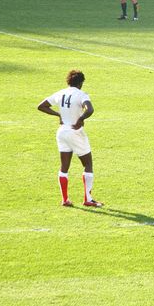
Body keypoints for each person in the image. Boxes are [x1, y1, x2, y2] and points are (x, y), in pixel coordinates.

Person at [37, 70, 103, 207]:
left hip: (62, 132)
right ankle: (88, 199)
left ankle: (65, 199)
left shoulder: (61, 93)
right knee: (88, 164)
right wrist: (81, 119)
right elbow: (90, 109)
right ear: (81, 83)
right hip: (75, 132)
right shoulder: (81, 95)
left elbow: (41, 106)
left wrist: (58, 115)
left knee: (64, 167)